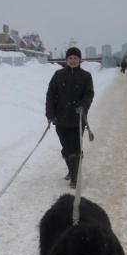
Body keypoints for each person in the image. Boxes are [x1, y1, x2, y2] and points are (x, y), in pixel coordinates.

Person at [45, 47, 94, 188]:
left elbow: (89, 94)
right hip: (60, 119)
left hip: (78, 119)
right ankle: (72, 169)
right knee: (66, 149)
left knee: (76, 149)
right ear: (66, 60)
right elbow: (50, 95)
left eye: (75, 58)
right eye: (70, 58)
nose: (73, 60)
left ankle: (74, 177)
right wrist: (50, 114)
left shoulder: (86, 76)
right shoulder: (58, 75)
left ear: (80, 60)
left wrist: (83, 107)